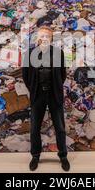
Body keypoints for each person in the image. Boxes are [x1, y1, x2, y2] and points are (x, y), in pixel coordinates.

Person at [22, 26, 69, 171]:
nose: (44, 38)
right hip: (38, 95)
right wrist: (34, 89)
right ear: (37, 38)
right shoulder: (29, 54)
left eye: (47, 36)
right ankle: (35, 156)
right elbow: (25, 76)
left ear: (51, 39)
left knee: (60, 128)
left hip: (54, 94)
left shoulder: (58, 53)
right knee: (35, 128)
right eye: (42, 36)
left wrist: (55, 87)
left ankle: (63, 156)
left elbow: (62, 74)